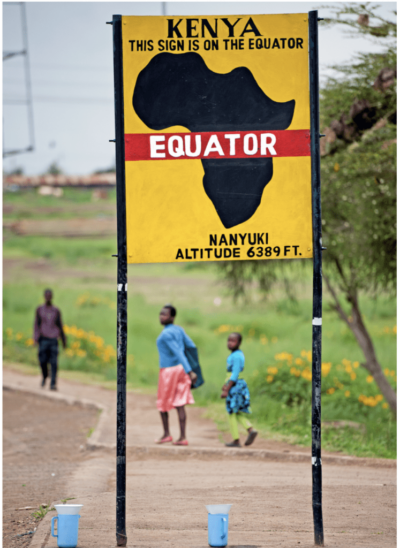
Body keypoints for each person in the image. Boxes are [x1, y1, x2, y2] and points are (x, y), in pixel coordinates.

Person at [156, 304, 198, 446]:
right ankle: (182, 437)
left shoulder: (166, 334)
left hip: (169, 371)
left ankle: (167, 434)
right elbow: (191, 346)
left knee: (162, 403)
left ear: (172, 317)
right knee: (180, 403)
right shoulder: (179, 330)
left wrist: (190, 371)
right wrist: (190, 368)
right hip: (181, 370)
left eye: (165, 314)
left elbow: (178, 352)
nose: (161, 316)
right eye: (161, 314)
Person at [221, 332, 258, 447]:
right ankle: (250, 429)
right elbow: (230, 374)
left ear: (239, 343)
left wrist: (227, 389)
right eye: (229, 340)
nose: (230, 343)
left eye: (233, 341)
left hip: (235, 386)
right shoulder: (236, 355)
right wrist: (225, 384)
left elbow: (235, 374)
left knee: (231, 412)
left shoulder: (237, 356)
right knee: (234, 412)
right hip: (234, 385)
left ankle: (237, 440)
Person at [33, 289, 66, 390]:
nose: (48, 297)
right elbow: (36, 324)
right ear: (44, 296)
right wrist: (35, 338)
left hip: (53, 340)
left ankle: (53, 384)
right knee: (42, 360)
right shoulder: (40, 309)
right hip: (43, 339)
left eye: (50, 295)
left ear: (52, 297)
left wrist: (64, 339)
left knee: (54, 362)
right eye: (47, 295)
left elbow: (60, 325)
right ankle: (45, 375)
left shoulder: (56, 310)